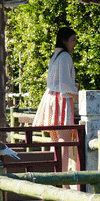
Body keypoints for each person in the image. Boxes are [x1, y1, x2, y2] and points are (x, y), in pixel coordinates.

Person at [33, 27, 79, 172]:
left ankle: (58, 174)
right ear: (64, 40)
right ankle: (63, 177)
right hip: (62, 98)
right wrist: (78, 94)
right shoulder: (65, 57)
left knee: (56, 141)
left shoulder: (55, 56)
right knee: (64, 141)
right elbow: (65, 83)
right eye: (73, 40)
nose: (75, 43)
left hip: (51, 97)